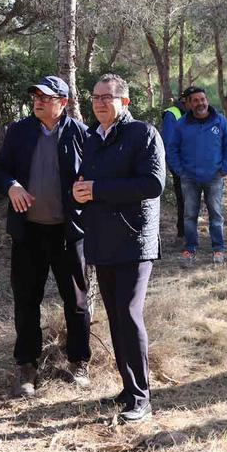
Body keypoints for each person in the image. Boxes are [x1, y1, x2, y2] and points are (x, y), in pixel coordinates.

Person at [74, 74, 165, 424]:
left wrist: (98, 189)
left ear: (124, 102)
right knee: (115, 318)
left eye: (106, 97)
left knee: (128, 314)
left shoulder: (142, 134)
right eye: (95, 97)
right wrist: (81, 191)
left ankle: (142, 398)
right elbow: (90, 182)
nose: (99, 103)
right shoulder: (94, 138)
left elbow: (152, 184)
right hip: (102, 240)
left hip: (134, 242)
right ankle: (128, 389)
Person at [0, 75, 92, 397]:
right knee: (25, 300)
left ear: (63, 103)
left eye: (46, 97)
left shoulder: (80, 133)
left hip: (68, 233)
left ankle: (78, 362)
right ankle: (26, 366)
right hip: (28, 233)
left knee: (76, 302)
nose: (38, 101)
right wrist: (12, 186)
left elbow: (94, 175)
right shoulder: (19, 131)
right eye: (35, 95)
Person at [167, 86, 227, 265]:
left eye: (203, 99)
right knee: (190, 215)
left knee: (216, 214)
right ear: (189, 104)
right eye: (196, 100)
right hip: (189, 178)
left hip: (214, 176)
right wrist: (180, 171)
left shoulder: (220, 121)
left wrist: (226, 168)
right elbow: (172, 149)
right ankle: (190, 249)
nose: (201, 103)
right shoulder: (181, 124)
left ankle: (218, 249)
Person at [160, 93, 188, 239]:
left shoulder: (195, 113)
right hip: (182, 167)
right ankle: (183, 234)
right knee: (184, 201)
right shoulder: (172, 114)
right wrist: (177, 169)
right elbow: (169, 144)